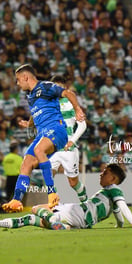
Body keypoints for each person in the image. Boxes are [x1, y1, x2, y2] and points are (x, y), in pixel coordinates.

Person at [2, 64, 85, 213]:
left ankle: (52, 194)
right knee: (26, 162)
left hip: (57, 130)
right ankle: (16, 199)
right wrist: (30, 124)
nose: (17, 83)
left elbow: (68, 93)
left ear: (26, 77)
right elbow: (36, 114)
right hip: (42, 134)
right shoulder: (31, 96)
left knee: (39, 150)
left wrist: (78, 109)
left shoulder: (46, 86)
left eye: (18, 80)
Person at [0, 164, 132, 230]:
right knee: (30, 218)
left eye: (105, 173)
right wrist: (121, 226)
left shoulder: (113, 190)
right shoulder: (110, 196)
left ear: (113, 179)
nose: (101, 174)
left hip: (76, 213)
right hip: (79, 218)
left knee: (36, 208)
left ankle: (56, 223)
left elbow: (123, 206)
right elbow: (118, 213)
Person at [49, 75, 88, 203]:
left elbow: (83, 125)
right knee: (47, 176)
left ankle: (85, 203)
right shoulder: (47, 104)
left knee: (73, 182)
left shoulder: (71, 104)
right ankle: (55, 205)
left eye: (61, 86)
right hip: (53, 146)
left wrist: (73, 140)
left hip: (68, 147)